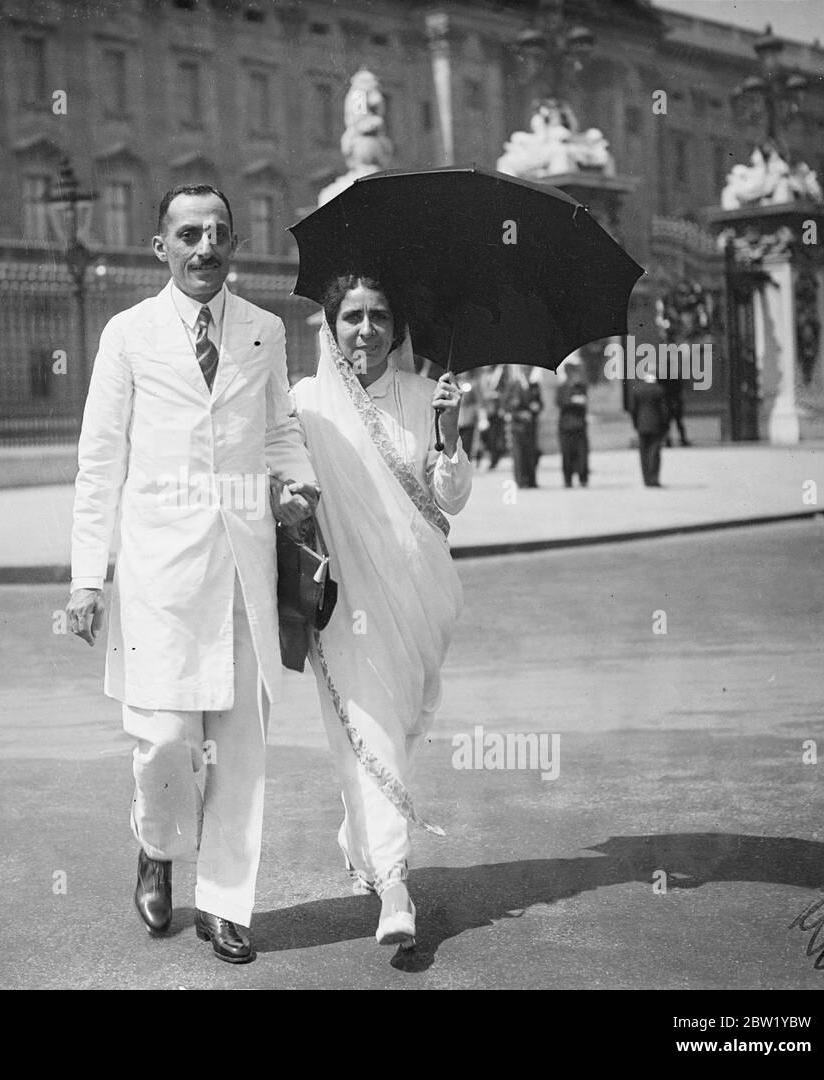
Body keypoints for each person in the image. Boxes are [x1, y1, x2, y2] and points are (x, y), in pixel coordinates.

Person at [67, 184, 318, 965]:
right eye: (188, 235)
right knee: (166, 742)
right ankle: (157, 845)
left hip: (244, 566)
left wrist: (298, 480)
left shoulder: (265, 331)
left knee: (241, 746)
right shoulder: (128, 333)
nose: (204, 247)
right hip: (160, 575)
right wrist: (87, 578)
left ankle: (226, 903)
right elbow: (100, 460)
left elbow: (279, 430)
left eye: (217, 233)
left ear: (233, 243)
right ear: (161, 247)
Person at [290, 274, 472, 948]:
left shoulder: (429, 396)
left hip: (419, 596)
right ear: (331, 328)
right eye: (352, 318)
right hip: (345, 602)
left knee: (398, 728)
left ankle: (359, 831)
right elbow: (282, 484)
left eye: (379, 317)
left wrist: (449, 433)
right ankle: (395, 887)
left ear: (396, 329)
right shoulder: (303, 403)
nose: (366, 330)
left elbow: (449, 500)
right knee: (366, 727)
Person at [503, 364, 542, 488]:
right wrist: (519, 414)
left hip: (531, 425)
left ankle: (531, 480)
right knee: (519, 455)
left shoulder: (534, 385)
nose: (527, 371)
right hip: (517, 425)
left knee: (531, 453)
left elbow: (540, 403)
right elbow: (506, 405)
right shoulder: (514, 385)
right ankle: (520, 481)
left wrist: (537, 408)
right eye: (525, 369)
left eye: (529, 369)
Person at [630, 365, 668, 487]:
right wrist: (665, 425)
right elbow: (664, 410)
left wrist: (636, 424)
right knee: (654, 452)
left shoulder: (638, 389)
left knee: (643, 452)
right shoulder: (659, 389)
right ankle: (653, 478)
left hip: (642, 425)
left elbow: (633, 410)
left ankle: (646, 479)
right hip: (656, 425)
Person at [555, 356, 590, 487]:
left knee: (582, 454)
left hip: (579, 424)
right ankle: (567, 479)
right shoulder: (562, 387)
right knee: (567, 454)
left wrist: (576, 401)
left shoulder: (581, 386)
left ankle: (583, 478)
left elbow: (584, 402)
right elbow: (560, 402)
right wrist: (573, 401)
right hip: (566, 426)